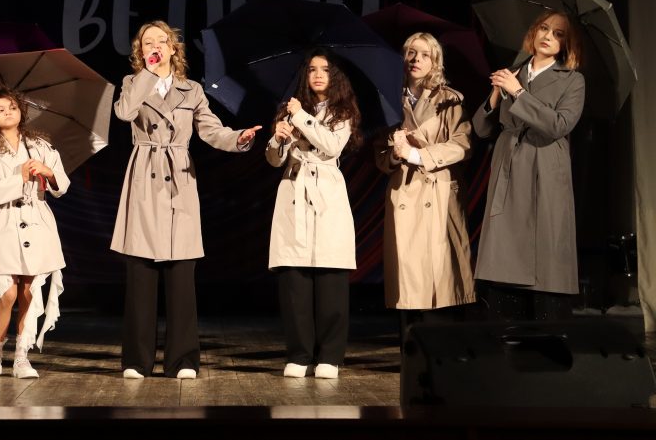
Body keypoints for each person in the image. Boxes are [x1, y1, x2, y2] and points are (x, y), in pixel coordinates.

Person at [112, 20, 261, 379]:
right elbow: (124, 113)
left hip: (178, 177)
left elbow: (211, 130)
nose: (155, 46)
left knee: (181, 276)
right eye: (148, 42)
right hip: (145, 175)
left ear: (173, 47)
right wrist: (148, 75)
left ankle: (183, 360)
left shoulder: (191, 89)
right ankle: (136, 360)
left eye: (161, 41)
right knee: (141, 273)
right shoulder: (133, 82)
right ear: (140, 51)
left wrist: (238, 138)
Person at [472, 10, 586, 320]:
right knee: (505, 247)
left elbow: (559, 125)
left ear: (566, 44)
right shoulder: (513, 72)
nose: (548, 36)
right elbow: (481, 129)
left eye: (558, 34)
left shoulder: (572, 80)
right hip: (510, 162)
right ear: (534, 32)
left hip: (544, 163)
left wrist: (518, 92)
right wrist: (495, 97)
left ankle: (546, 322)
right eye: (544, 28)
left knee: (544, 248)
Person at [265, 48, 361, 379]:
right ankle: (299, 354)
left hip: (327, 195)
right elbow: (275, 160)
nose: (318, 75)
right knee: (295, 281)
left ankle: (330, 356)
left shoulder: (342, 111)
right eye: (311, 70)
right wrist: (278, 139)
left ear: (335, 77)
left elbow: (331, 146)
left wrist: (301, 118)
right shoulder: (289, 110)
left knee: (330, 279)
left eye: (325, 70)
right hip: (294, 190)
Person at [374, 33, 476, 330]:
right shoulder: (388, 101)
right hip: (405, 192)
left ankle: (442, 349)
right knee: (409, 284)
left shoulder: (450, 100)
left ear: (435, 61)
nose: (416, 59)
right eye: (410, 53)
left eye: (424, 54)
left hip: (438, 192)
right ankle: (411, 348)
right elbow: (380, 157)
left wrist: (417, 154)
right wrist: (395, 154)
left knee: (440, 281)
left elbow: (462, 145)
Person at [0, 87, 68, 379]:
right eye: (1, 109)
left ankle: (21, 357)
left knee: (29, 291)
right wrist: (21, 177)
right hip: (5, 223)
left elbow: (62, 185)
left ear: (21, 112)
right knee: (7, 292)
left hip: (37, 222)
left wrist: (48, 172)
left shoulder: (40, 145)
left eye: (12, 107)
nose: (7, 113)